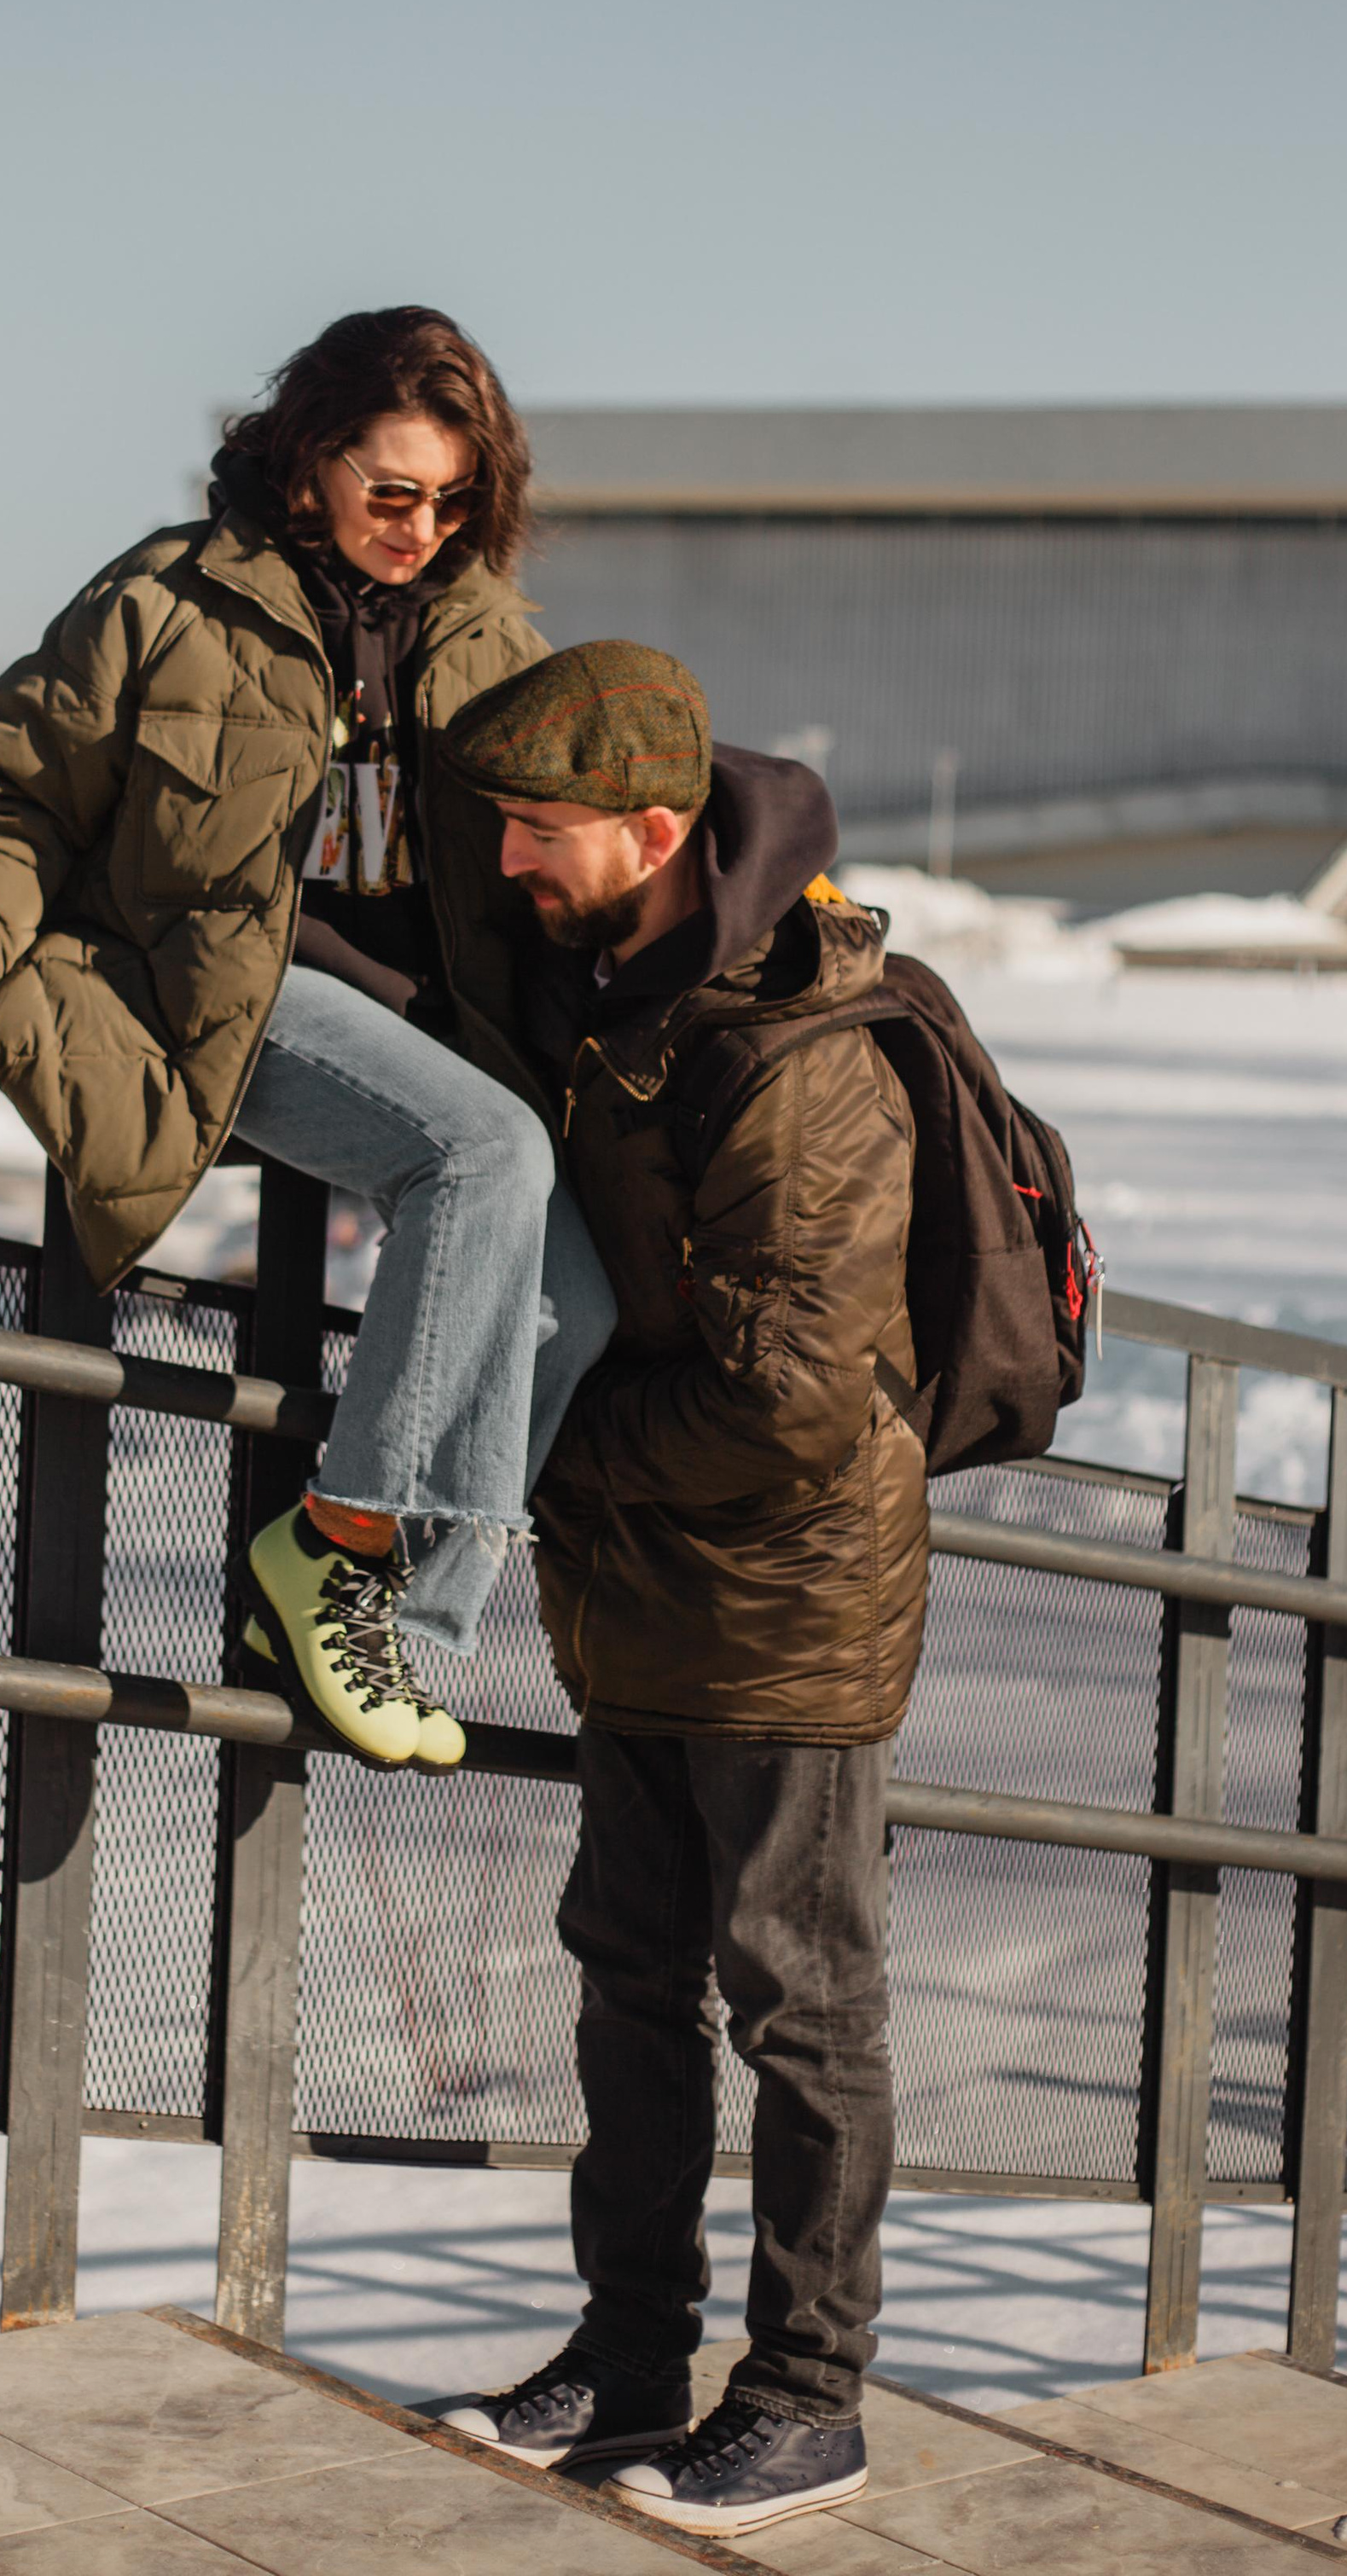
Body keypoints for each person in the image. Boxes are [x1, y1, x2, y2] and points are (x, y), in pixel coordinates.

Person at [0, 308, 615, 1773]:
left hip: (426, 1030)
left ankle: (403, 1610)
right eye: (391, 492)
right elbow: (10, 796)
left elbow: (616, 814)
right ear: (307, 466)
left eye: (455, 498)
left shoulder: (490, 642)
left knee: (573, 1304)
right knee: (485, 1155)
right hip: (213, 994)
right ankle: (334, 1554)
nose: (423, 527)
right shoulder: (171, 600)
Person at [427, 640, 927, 2538]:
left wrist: (547, 1456)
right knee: (629, 1983)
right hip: (645, 1590)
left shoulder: (800, 1057)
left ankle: (809, 2397)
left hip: (786, 1598)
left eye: (534, 830)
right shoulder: (604, 983)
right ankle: (631, 2351)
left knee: (798, 2002)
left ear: (647, 830)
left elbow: (795, 1401)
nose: (505, 862)